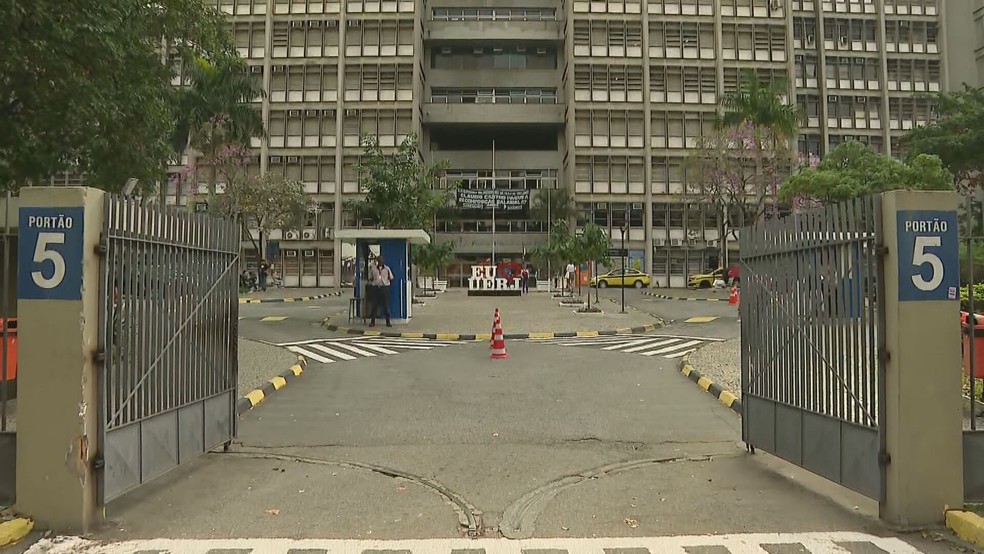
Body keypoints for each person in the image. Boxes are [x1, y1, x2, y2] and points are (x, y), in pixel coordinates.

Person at [368, 254, 395, 327]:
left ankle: (388, 322)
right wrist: (375, 282)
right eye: (379, 260)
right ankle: (372, 322)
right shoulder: (373, 269)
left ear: (383, 261)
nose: (380, 261)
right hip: (376, 288)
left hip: (384, 288)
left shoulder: (387, 269)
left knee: (386, 305)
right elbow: (370, 277)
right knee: (374, 305)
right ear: (377, 261)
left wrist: (386, 284)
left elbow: (391, 278)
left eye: (381, 260)